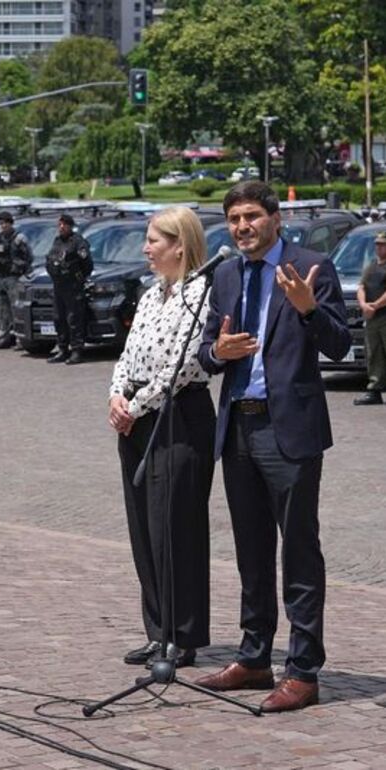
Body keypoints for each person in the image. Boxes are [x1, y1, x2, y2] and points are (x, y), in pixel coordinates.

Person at [194, 181, 351, 713]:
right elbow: (206, 352)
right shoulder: (225, 274)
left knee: (299, 550)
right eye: (234, 219)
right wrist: (218, 351)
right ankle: (255, 656)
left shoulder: (312, 267)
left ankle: (303, 671)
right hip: (238, 427)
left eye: (252, 216)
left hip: (290, 432)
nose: (243, 227)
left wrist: (308, 309)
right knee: (251, 550)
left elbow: (339, 344)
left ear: (275, 218)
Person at [109, 206, 215, 670]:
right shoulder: (152, 294)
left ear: (180, 245)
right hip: (136, 416)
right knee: (144, 528)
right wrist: (116, 395)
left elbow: (183, 365)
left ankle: (182, 635)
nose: (146, 248)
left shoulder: (200, 294)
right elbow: (127, 353)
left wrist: (135, 406)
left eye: (154, 240)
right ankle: (157, 631)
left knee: (175, 528)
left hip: (177, 416)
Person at [45, 213, 93, 365]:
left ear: (70, 226)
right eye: (59, 225)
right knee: (59, 318)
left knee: (74, 319)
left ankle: (77, 351)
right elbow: (50, 260)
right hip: (58, 285)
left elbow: (87, 264)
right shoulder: (57, 241)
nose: (61, 227)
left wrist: (78, 277)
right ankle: (62, 349)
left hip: (73, 286)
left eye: (64, 225)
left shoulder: (78, 242)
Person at [0, 210, 32, 350]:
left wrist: (19, 268)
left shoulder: (19, 238)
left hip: (13, 278)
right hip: (0, 277)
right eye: (1, 223)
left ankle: (20, 339)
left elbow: (29, 257)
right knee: (3, 310)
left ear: (11, 223)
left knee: (16, 309)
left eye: (6, 223)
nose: (3, 226)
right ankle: (4, 337)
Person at [353, 231, 386, 405]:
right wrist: (364, 304)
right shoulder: (372, 266)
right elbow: (361, 286)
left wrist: (375, 306)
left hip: (383, 315)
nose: (379, 248)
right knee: (373, 354)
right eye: (377, 244)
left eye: (382, 245)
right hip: (372, 319)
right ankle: (374, 389)